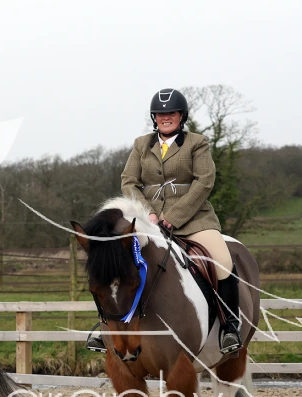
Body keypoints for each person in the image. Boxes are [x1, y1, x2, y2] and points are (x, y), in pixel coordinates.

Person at [86, 88, 242, 355]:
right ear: (154, 117)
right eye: (160, 114)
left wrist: (173, 217)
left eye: (171, 113)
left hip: (193, 220)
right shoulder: (141, 144)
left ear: (182, 116)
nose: (165, 117)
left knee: (222, 262)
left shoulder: (197, 143)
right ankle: (108, 327)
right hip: (149, 221)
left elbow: (204, 182)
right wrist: (147, 213)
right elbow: (129, 181)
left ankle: (229, 326)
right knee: (117, 263)